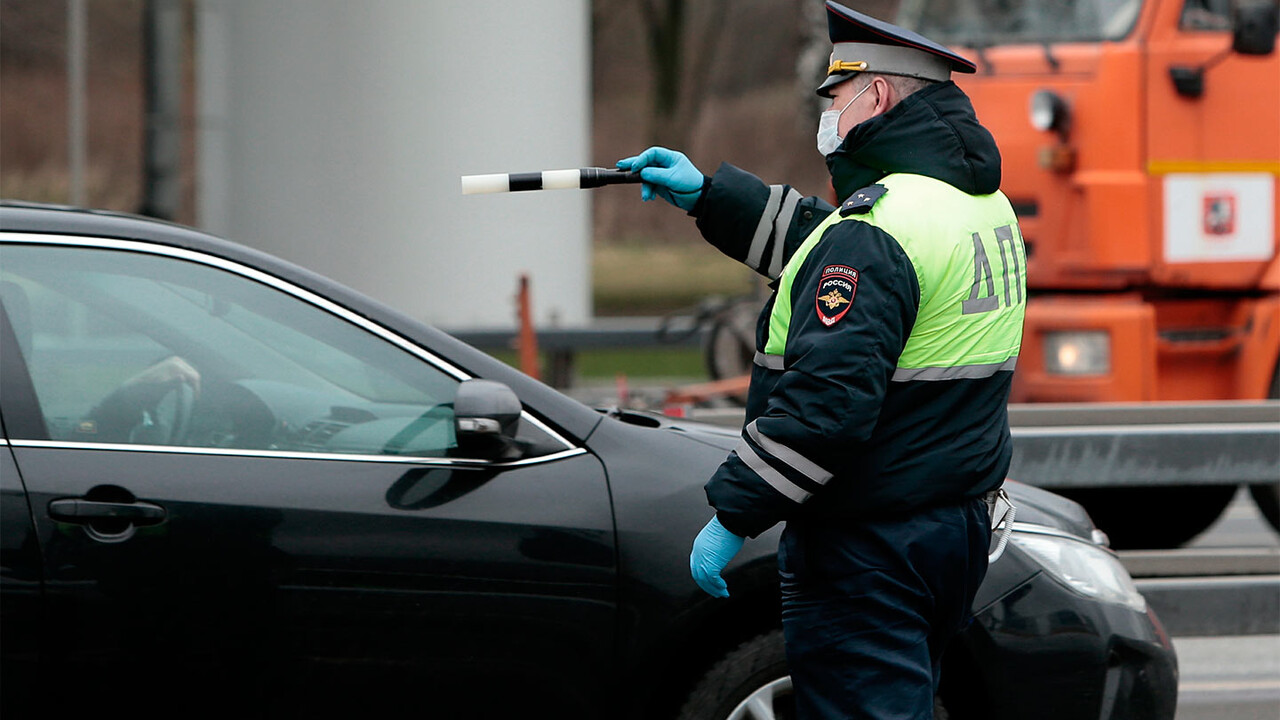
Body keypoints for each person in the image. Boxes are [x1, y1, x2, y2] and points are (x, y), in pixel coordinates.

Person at [617, 2, 1026, 718]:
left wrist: (733, 514)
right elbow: (825, 246)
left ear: (878, 94)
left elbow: (826, 407)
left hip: (871, 541)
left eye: (836, 95)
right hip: (949, 526)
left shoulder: (879, 227)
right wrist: (711, 197)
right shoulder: (974, 204)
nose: (828, 112)